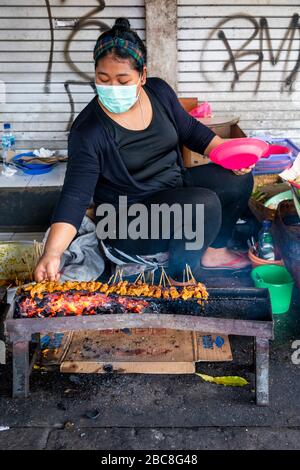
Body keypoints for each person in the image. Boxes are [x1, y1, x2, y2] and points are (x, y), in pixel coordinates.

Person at [35, 17, 253, 284]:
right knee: (202, 205)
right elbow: (75, 195)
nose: (112, 88)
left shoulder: (159, 92)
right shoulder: (89, 130)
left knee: (236, 179)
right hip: (127, 223)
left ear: (143, 76)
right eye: (103, 79)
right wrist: (53, 252)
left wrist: (230, 155)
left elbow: (192, 132)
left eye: (123, 80)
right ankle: (180, 278)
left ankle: (215, 253)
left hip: (173, 190)